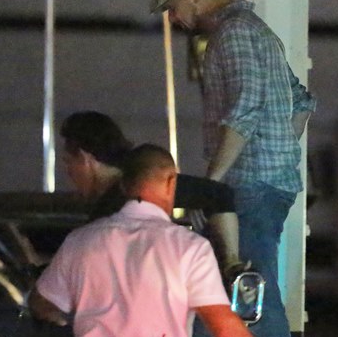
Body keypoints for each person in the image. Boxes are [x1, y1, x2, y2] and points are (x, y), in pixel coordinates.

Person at [150, 0, 316, 337]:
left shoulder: (234, 34)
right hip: (264, 182)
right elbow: (301, 101)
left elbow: (243, 110)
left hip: (247, 188)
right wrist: (280, 152)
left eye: (174, 6)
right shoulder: (255, 32)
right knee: (221, 296)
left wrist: (214, 183)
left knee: (251, 298)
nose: (174, 19)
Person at [28, 143, 287, 337]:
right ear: (171, 181)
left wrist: (66, 317)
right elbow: (222, 325)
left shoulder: (82, 241)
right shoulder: (188, 248)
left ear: (124, 187)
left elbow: (42, 302)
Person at [60, 111, 245, 282]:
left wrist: (231, 267)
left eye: (68, 162)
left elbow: (216, 194)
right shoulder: (140, 183)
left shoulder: (108, 211)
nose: (67, 172)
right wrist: (231, 262)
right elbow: (218, 195)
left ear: (84, 158)